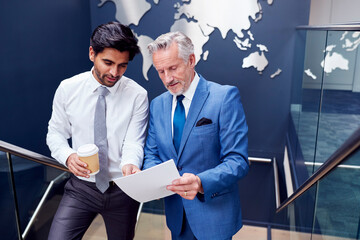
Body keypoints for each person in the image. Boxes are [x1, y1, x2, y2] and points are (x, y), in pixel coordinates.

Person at [46, 22, 148, 240]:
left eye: (123, 65)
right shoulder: (68, 89)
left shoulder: (138, 95)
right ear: (92, 53)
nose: (114, 72)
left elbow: (134, 142)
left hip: (123, 189)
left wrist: (131, 163)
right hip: (82, 188)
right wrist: (68, 156)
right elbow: (55, 133)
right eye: (108, 62)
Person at [142, 31, 249, 240]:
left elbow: (238, 161)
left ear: (191, 60)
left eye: (173, 68)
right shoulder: (157, 105)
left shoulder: (224, 97)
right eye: (160, 71)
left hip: (214, 215)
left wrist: (200, 182)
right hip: (177, 217)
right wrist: (150, 177)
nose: (167, 78)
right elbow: (151, 155)